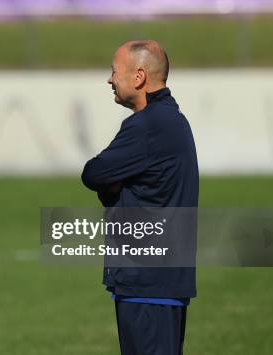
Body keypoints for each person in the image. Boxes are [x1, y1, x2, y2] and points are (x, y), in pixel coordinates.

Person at [81, 40, 198, 355]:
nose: (109, 79)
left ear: (139, 77)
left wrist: (113, 185)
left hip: (149, 282)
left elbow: (93, 174)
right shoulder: (167, 119)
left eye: (114, 71)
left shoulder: (149, 126)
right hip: (156, 282)